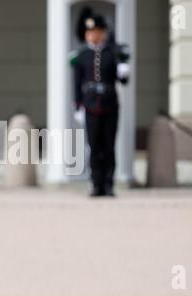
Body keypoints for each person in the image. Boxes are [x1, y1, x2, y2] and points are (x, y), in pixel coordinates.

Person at [71, 14, 130, 197]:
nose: (93, 35)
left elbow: (123, 80)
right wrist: (78, 105)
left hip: (109, 104)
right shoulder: (82, 56)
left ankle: (108, 183)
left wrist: (124, 73)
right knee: (94, 146)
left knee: (109, 145)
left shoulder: (112, 53)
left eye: (97, 32)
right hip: (90, 105)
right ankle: (96, 183)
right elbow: (77, 82)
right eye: (90, 32)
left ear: (103, 33)